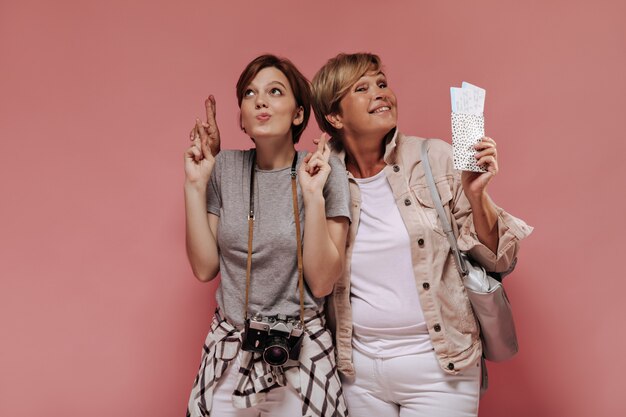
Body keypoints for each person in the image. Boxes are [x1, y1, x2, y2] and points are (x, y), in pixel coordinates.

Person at [310, 53, 533, 417]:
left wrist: (478, 196)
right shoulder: (319, 176)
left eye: (382, 84)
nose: (380, 93)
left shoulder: (435, 158)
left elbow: (500, 259)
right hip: (358, 371)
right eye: (362, 89)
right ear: (335, 117)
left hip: (441, 367)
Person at [183, 54, 350, 417]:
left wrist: (311, 195)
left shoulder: (324, 170)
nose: (260, 100)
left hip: (301, 350)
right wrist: (195, 186)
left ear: (298, 113)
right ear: (241, 117)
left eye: (275, 91)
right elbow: (204, 267)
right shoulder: (224, 167)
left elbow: (322, 283)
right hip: (231, 345)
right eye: (249, 93)